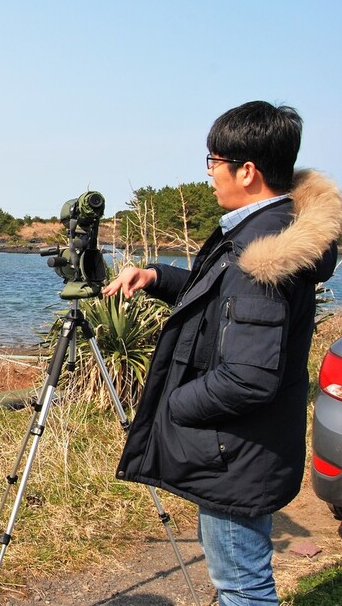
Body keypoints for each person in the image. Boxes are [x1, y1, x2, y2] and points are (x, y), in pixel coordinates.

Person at [103, 101, 342, 605]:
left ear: (247, 171)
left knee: (242, 588)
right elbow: (223, 299)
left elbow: (248, 376)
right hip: (248, 448)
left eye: (213, 162)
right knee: (243, 579)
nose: (209, 175)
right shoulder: (274, 229)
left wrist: (175, 404)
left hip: (233, 456)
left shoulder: (262, 257)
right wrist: (157, 277)